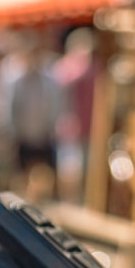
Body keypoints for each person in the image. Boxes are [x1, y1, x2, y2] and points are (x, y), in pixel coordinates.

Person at [0, 33, 63, 202]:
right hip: (18, 134)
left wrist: (52, 127)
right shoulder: (10, 74)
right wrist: (4, 131)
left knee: (42, 173)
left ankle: (35, 203)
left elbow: (53, 106)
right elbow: (3, 106)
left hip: (41, 134)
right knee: (18, 174)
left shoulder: (48, 77)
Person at [50, 27, 98, 203]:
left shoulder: (95, 67)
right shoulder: (65, 68)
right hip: (70, 129)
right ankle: (70, 202)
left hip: (92, 128)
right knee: (70, 170)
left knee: (87, 169)